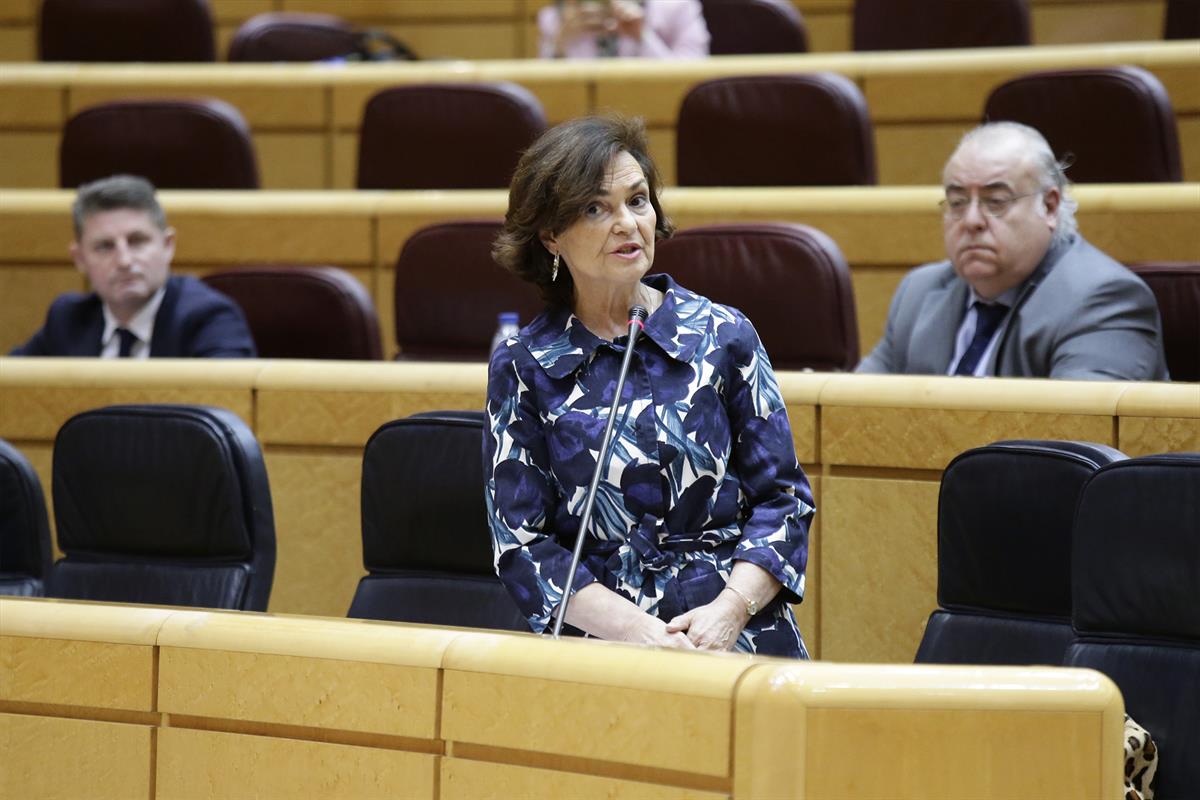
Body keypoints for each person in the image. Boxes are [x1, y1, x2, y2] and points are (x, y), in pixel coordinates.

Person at [485, 115, 813, 657]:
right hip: (603, 642)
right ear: (550, 236)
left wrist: (728, 611)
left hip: (735, 627)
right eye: (595, 208)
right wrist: (639, 633)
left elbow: (784, 500)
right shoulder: (525, 365)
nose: (626, 223)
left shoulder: (722, 334)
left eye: (637, 201)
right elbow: (523, 544)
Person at [856, 122, 1168, 380]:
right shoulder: (919, 292)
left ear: (1049, 206)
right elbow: (849, 413)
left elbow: (1074, 440)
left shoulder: (1104, 300)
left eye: (996, 202)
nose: (972, 221)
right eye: (957, 203)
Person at [10, 174, 255, 358]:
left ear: (168, 245)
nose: (125, 261)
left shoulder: (208, 318)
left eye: (137, 242)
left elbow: (229, 410)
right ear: (80, 259)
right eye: (105, 247)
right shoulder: (68, 320)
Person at [538, 0, 710, 59]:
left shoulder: (679, 7)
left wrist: (642, 37)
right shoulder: (555, 17)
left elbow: (693, 86)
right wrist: (560, 44)